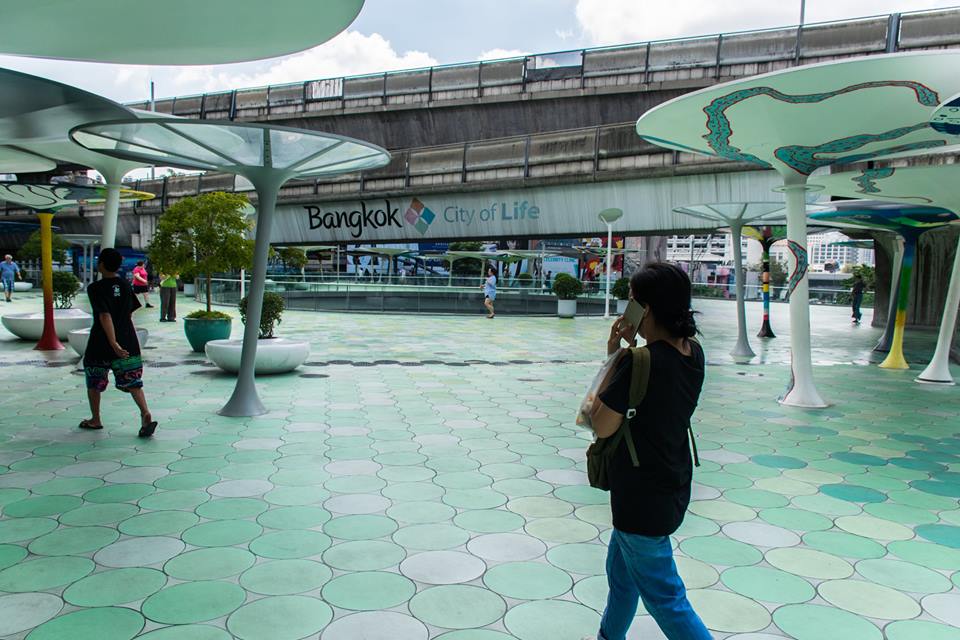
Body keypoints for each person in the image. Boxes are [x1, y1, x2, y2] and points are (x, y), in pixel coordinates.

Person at [585, 262, 711, 640]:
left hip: (640, 498)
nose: (627, 308)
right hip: (671, 481)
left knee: (667, 599)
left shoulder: (637, 361)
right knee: (622, 582)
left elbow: (600, 423)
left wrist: (615, 356)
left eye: (631, 301)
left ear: (646, 309)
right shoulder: (693, 353)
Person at [79, 248, 157, 438]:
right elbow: (130, 311)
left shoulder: (95, 288)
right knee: (133, 381)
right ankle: (145, 412)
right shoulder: (124, 284)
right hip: (128, 338)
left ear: (102, 265)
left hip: (101, 342)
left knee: (94, 379)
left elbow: (104, 315)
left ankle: (95, 419)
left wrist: (113, 342)